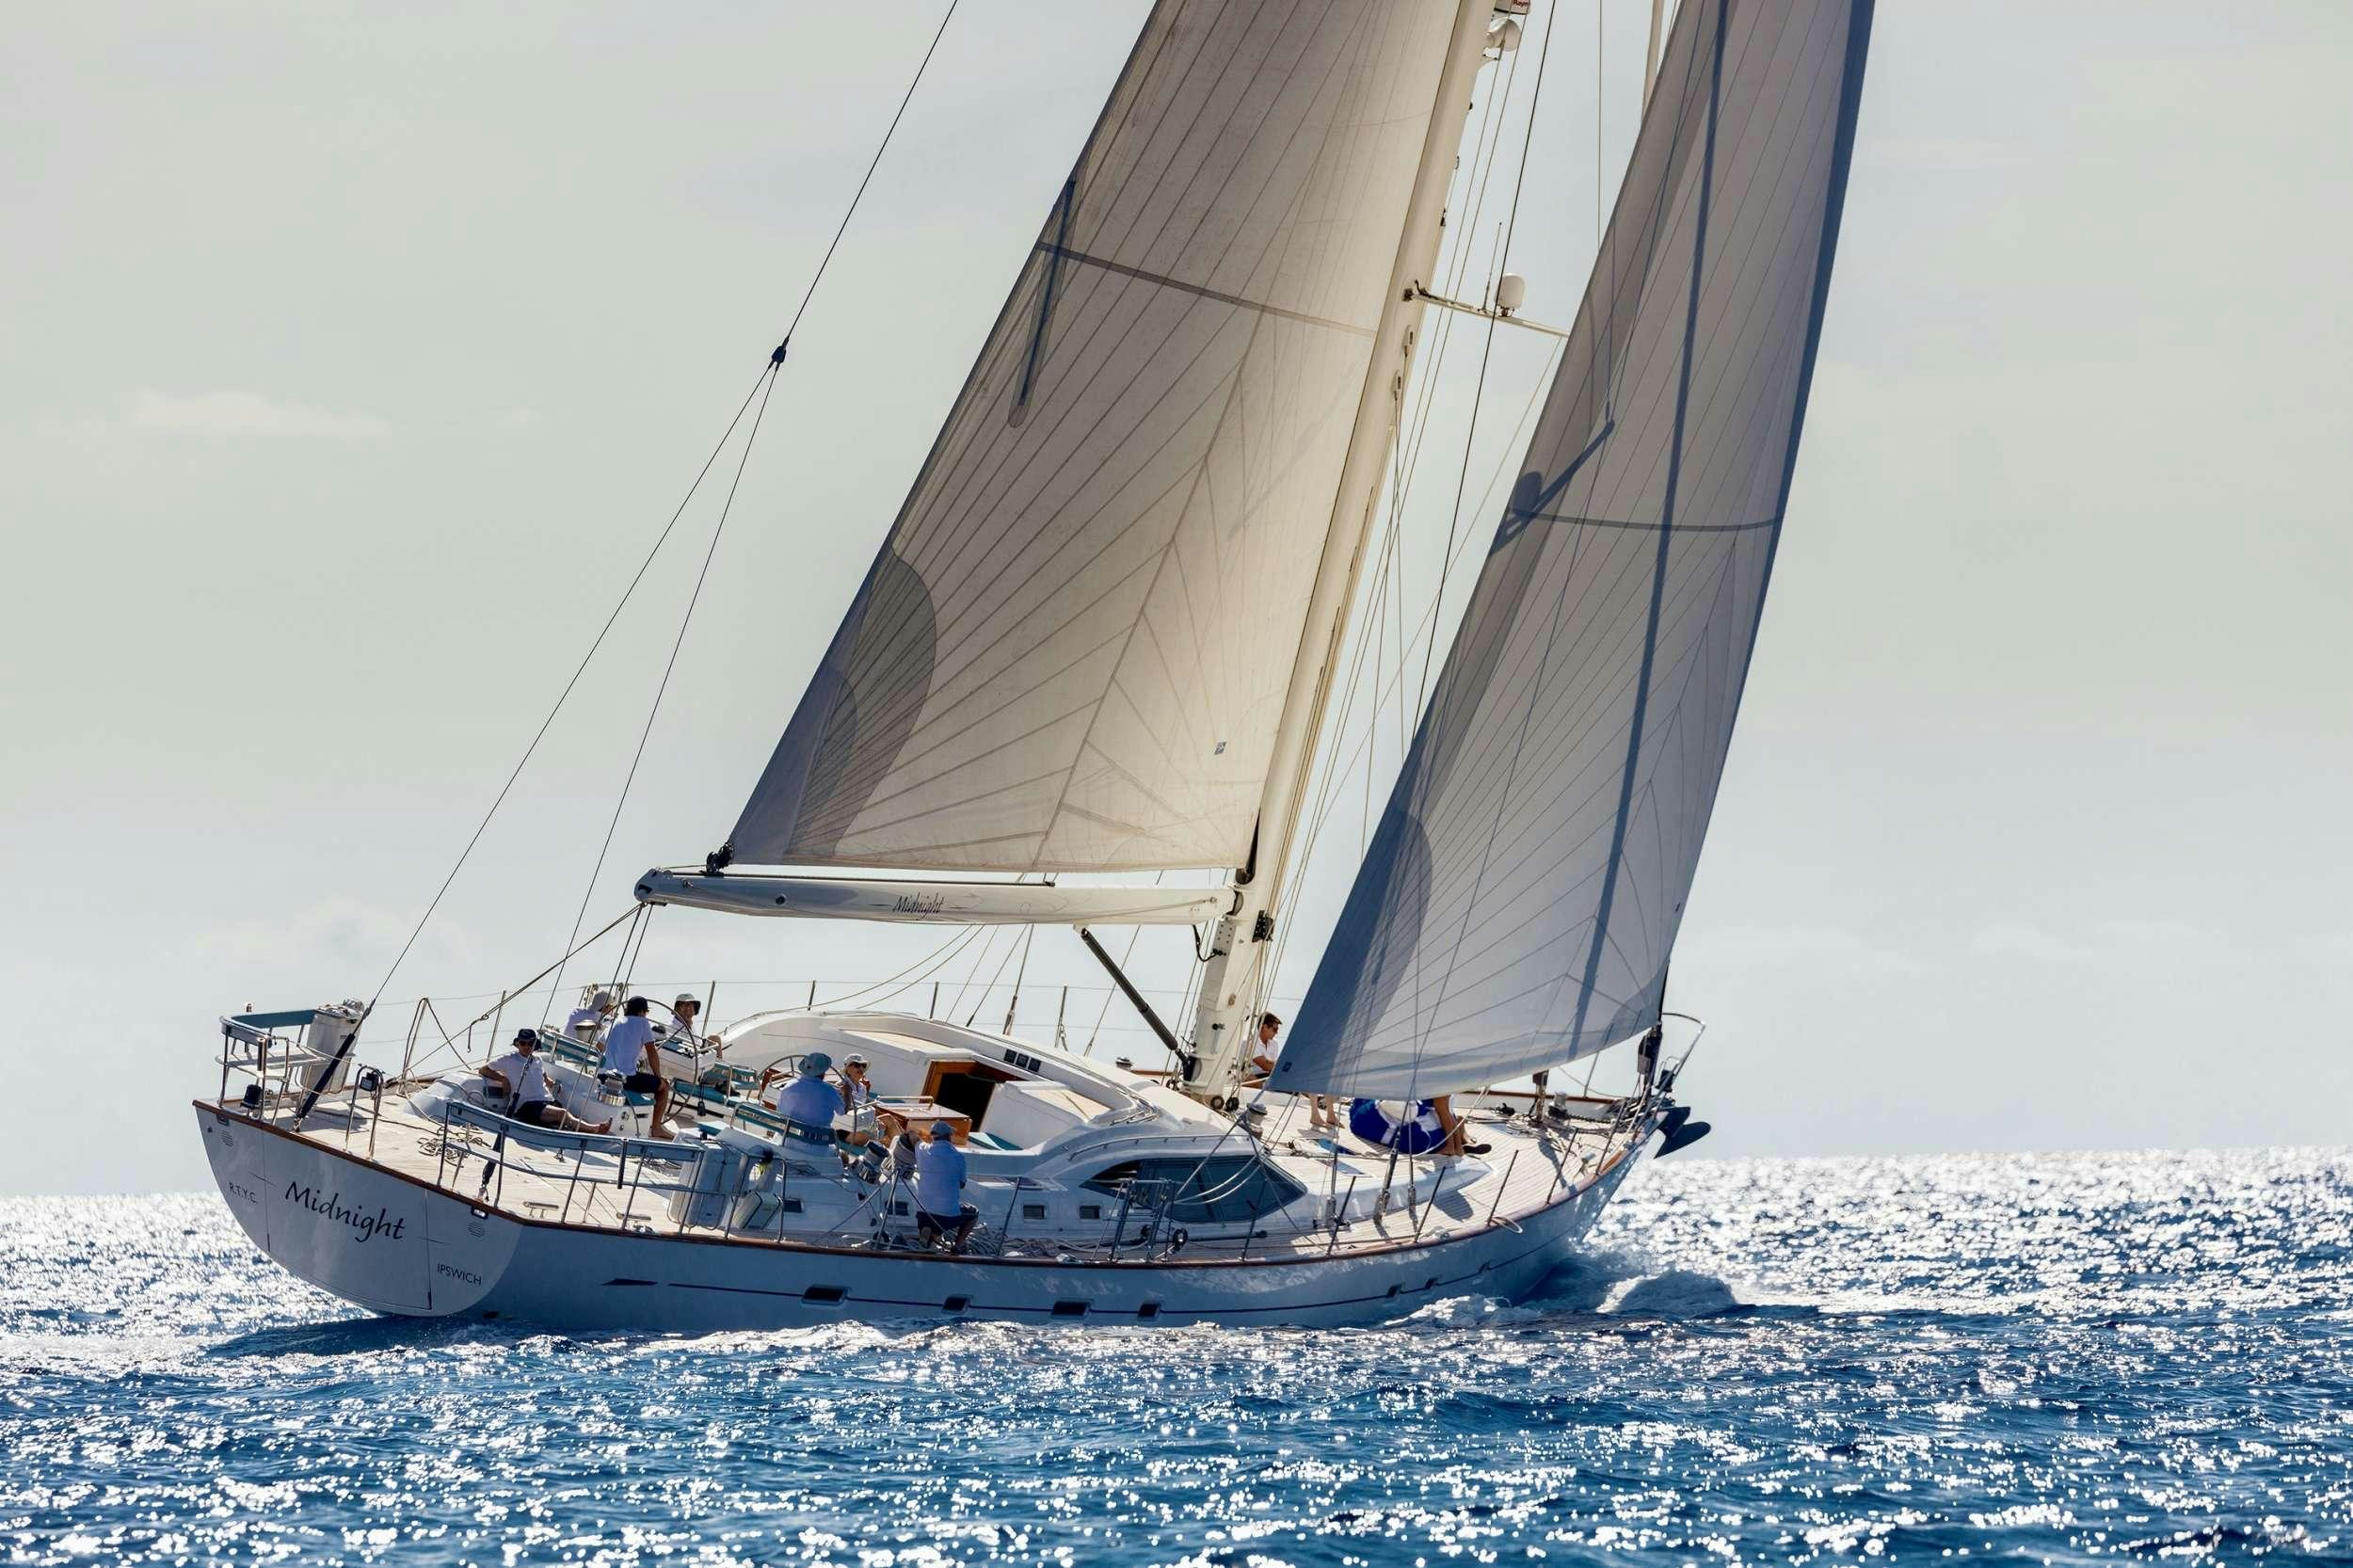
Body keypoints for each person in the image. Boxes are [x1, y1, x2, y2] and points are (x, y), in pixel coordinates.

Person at [481, 1029, 609, 1133]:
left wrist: (552, 1084)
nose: (526, 1046)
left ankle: (586, 1128)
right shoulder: (509, 1060)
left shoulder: (538, 1061)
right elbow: (484, 1070)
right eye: (523, 1043)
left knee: (571, 1115)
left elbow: (544, 1078)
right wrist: (503, 1080)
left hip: (546, 1101)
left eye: (530, 1043)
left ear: (534, 1045)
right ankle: (594, 1129)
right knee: (562, 1114)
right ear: (518, 1044)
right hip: (527, 1106)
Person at [601, 996, 673, 1139]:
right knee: (664, 1086)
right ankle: (656, 1128)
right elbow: (652, 1052)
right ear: (642, 1012)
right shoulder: (642, 1023)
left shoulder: (614, 1022)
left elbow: (598, 1048)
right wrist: (658, 1076)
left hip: (604, 1075)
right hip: (625, 1079)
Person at [914, 1119, 978, 1254]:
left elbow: (914, 1138)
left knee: (933, 1216)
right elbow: (961, 1184)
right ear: (949, 1136)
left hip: (922, 1212)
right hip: (946, 1216)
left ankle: (928, 1232)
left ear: (932, 1136)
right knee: (973, 1213)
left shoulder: (922, 1150)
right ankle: (958, 1246)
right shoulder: (958, 1157)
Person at [772, 1053, 845, 1136]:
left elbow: (780, 1110)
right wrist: (848, 1093)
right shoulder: (829, 1090)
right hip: (816, 1144)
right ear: (823, 1072)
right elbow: (842, 1111)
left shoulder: (789, 1085)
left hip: (786, 1137)